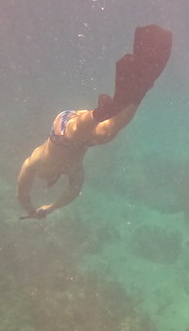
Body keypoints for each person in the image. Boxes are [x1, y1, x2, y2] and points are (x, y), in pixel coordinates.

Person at [17, 25, 172, 220]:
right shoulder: (75, 172)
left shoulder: (33, 164)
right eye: (50, 180)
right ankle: (140, 89)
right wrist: (49, 208)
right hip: (84, 139)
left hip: (63, 130)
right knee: (107, 134)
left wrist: (30, 209)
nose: (46, 179)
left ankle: (100, 112)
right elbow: (71, 194)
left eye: (45, 179)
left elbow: (22, 192)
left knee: (73, 134)